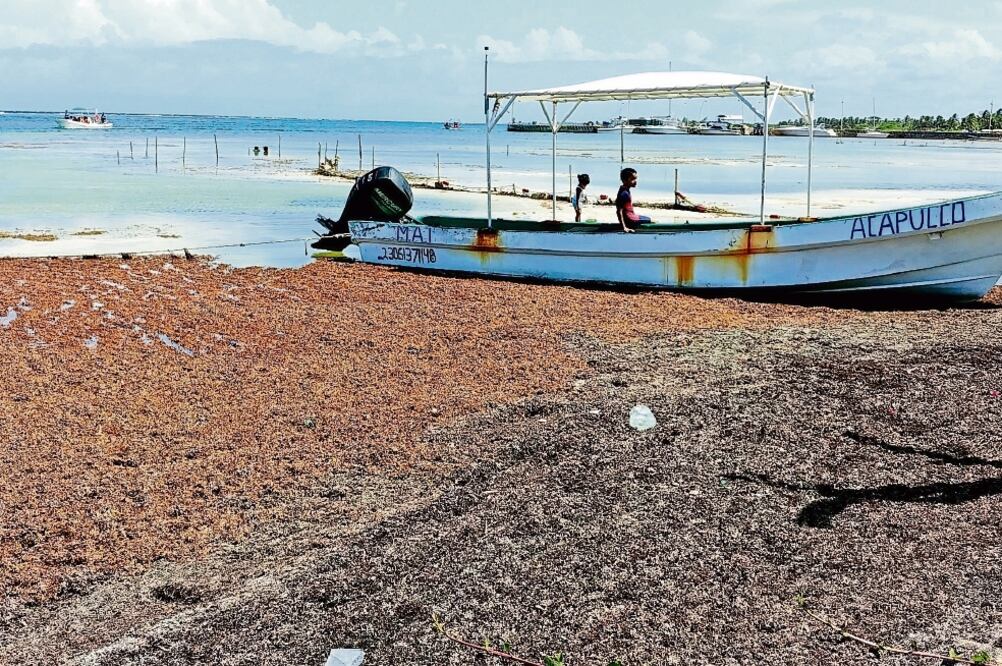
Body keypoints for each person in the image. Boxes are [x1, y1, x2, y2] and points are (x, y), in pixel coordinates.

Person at [615, 167, 651, 233]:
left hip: (631, 216)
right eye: (632, 179)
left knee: (647, 219)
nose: (635, 181)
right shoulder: (624, 193)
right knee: (649, 220)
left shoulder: (625, 190)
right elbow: (619, 211)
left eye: (635, 179)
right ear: (625, 180)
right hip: (630, 219)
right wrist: (624, 227)